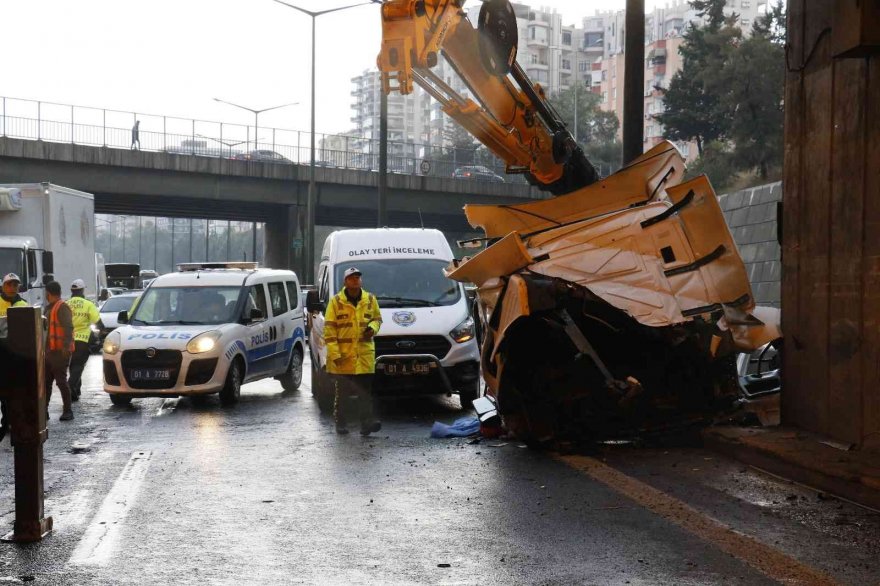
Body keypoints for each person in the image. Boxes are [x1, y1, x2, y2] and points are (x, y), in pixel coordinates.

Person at [323, 267, 382, 435]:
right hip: (343, 357)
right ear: (345, 282)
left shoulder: (370, 299)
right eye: (351, 278)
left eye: (357, 277)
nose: (355, 280)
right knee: (343, 394)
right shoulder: (335, 302)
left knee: (365, 394)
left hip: (363, 356)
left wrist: (372, 328)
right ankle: (341, 423)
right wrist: (335, 354)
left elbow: (377, 319)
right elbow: (329, 330)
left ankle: (366, 424)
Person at [1, 273, 28, 441]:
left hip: (16, 355)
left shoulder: (24, 305)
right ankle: (6, 420)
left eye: (15, 285)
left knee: (15, 391)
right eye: (9, 284)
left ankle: (11, 420)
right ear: (3, 286)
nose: (12, 288)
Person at [44, 281, 75, 421]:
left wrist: (66, 347)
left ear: (48, 293)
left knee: (61, 382)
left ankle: (68, 411)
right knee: (46, 383)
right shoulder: (49, 308)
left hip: (59, 352)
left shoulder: (62, 307)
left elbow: (69, 328)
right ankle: (43, 411)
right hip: (49, 352)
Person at [66, 279, 100, 402]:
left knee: (72, 365)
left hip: (66, 340)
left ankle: (76, 390)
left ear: (72, 291)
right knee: (78, 365)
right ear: (82, 290)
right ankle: (69, 387)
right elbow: (97, 321)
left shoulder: (66, 304)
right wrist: (103, 331)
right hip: (82, 340)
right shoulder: (88, 304)